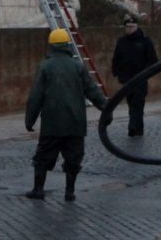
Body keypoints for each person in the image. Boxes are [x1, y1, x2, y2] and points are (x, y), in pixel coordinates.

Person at [25, 28, 110, 200]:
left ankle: (38, 189)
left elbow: (36, 96)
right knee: (73, 158)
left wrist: (30, 120)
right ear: (67, 45)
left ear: (51, 46)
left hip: (52, 123)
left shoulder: (45, 67)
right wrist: (106, 108)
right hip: (75, 123)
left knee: (43, 157)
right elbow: (92, 90)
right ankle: (69, 192)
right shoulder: (78, 66)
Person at [111, 14, 160, 137]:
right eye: (127, 27)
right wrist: (116, 72)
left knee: (138, 103)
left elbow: (153, 60)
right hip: (126, 79)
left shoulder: (145, 41)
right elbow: (116, 58)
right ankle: (136, 128)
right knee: (131, 103)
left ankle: (133, 127)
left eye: (132, 27)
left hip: (140, 79)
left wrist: (145, 73)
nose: (129, 29)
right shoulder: (122, 41)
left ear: (136, 27)